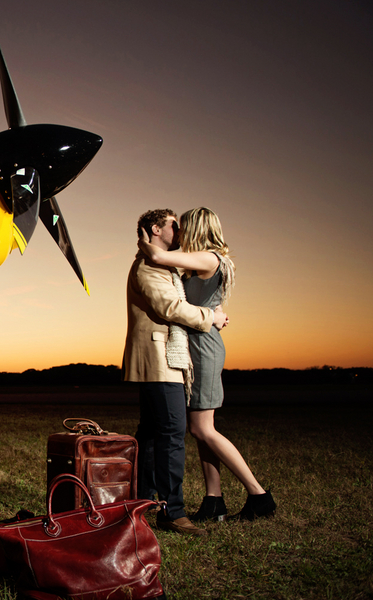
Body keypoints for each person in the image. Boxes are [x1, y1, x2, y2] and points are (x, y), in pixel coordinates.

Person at [139, 207, 276, 521]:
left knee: (203, 428)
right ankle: (214, 499)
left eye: (183, 226)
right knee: (200, 430)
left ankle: (258, 495)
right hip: (197, 343)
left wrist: (145, 238)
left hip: (203, 348)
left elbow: (158, 258)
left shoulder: (209, 257)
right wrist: (215, 314)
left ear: (197, 227)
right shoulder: (205, 261)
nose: (181, 232)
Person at [123, 209, 228, 536]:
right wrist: (210, 316)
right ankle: (173, 511)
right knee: (171, 432)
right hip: (157, 358)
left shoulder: (159, 262)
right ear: (157, 228)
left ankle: (142, 503)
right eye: (173, 225)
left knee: (153, 434)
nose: (180, 230)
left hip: (163, 358)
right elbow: (170, 308)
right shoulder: (148, 267)